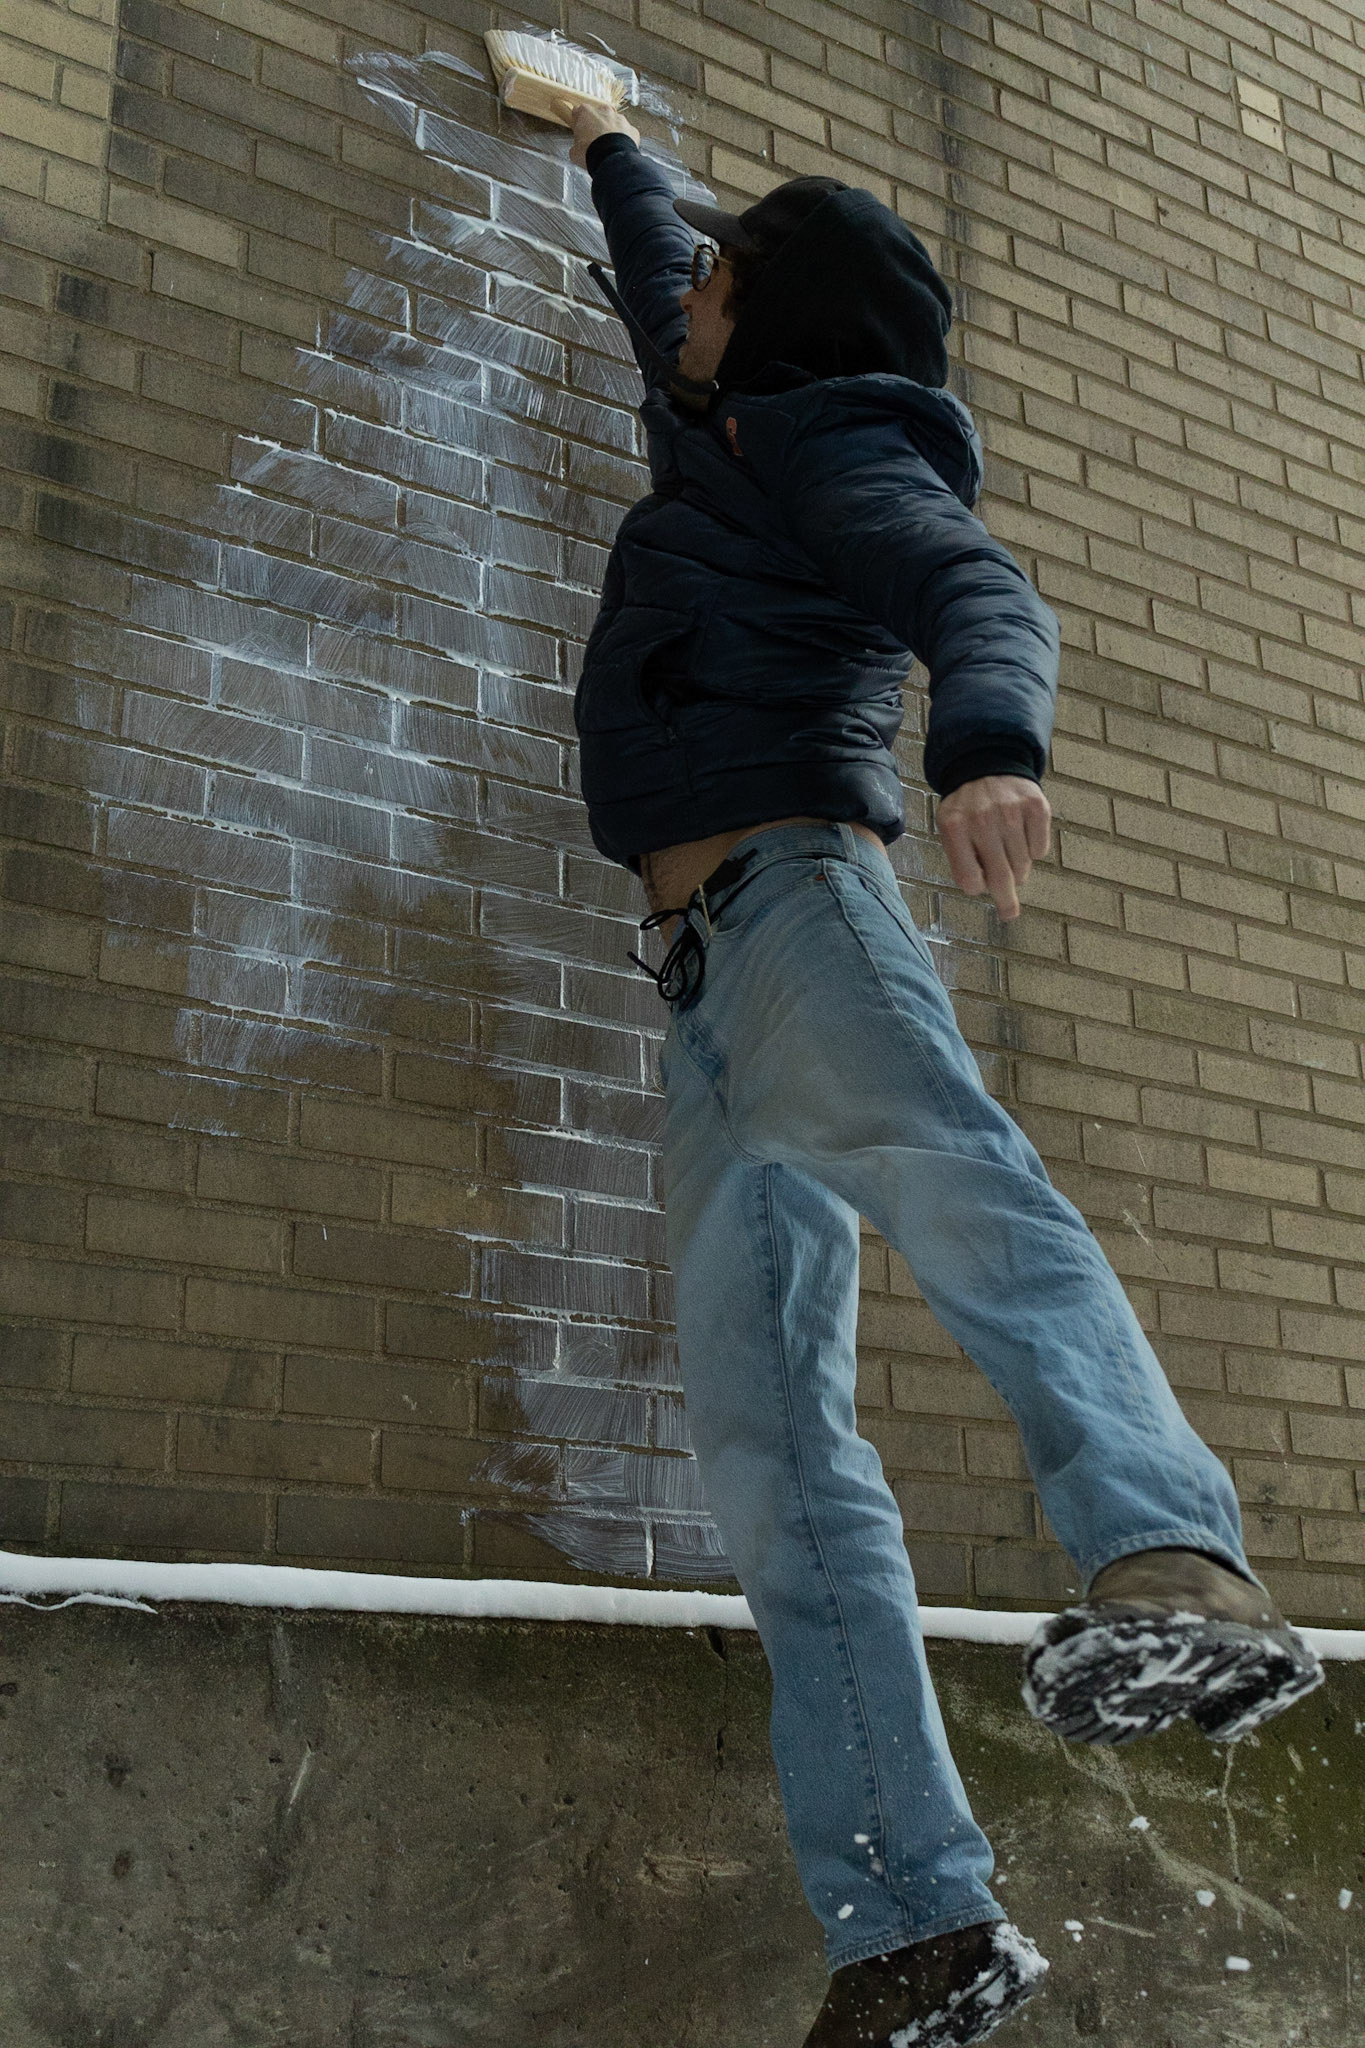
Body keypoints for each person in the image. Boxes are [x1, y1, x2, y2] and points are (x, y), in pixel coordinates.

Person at [558, 99, 1323, 2048]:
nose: (693, 304)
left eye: (730, 282)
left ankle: (1170, 1565)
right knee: (771, 1452)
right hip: (708, 988)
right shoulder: (714, 409)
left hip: (802, 907)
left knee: (964, 1183)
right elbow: (664, 277)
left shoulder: (836, 444)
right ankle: (912, 1924)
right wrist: (613, 143)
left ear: (785, 322)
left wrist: (986, 740)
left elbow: (975, 589)